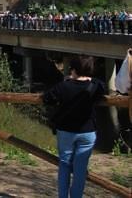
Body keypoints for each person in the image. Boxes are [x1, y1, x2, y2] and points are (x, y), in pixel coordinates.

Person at [43, 56, 106, 198]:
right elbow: (103, 86)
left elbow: (47, 97)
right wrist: (91, 80)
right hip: (87, 132)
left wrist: (68, 81)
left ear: (74, 70)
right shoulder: (95, 86)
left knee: (64, 165)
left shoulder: (64, 86)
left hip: (66, 131)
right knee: (80, 170)